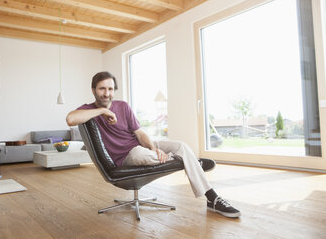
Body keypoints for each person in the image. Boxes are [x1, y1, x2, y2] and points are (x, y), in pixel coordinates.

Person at [66, 71, 241, 218]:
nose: (107, 93)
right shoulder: (89, 109)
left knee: (181, 146)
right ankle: (190, 162)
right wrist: (104, 111)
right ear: (93, 90)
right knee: (144, 155)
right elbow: (71, 119)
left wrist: (154, 148)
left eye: (110, 89)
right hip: (127, 156)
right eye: (102, 88)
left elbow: (140, 133)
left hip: (142, 146)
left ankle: (212, 198)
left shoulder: (123, 106)